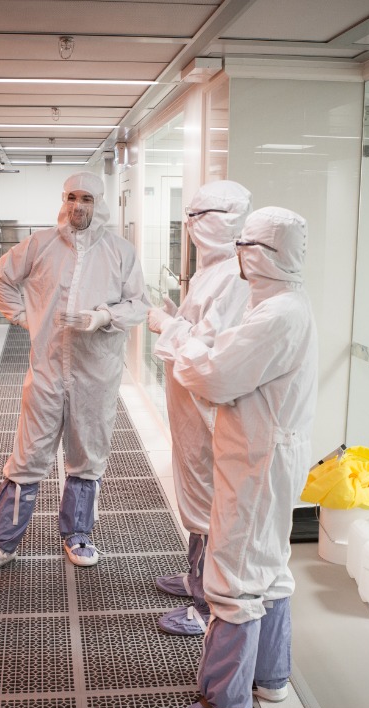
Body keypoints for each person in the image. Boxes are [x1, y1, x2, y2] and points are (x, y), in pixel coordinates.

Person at [150, 207, 318, 708]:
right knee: (267, 568)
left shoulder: (275, 315)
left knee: (233, 580)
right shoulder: (281, 304)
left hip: (255, 459)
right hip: (268, 453)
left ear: (259, 255)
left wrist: (180, 336)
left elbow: (217, 375)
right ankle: (270, 675)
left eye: (246, 246)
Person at [0, 171, 147, 575]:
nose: (77, 206)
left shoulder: (120, 252)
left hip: (95, 372)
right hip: (46, 369)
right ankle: (1, 543)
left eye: (86, 199)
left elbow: (139, 305)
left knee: (86, 457)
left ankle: (77, 533)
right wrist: (27, 317)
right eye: (71, 197)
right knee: (27, 456)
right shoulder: (41, 244)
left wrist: (102, 317)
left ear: (98, 204)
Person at [147, 181, 252, 636]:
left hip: (209, 410)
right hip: (189, 407)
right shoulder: (212, 271)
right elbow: (197, 328)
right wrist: (177, 318)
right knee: (195, 494)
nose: (190, 228)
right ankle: (196, 579)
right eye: (188, 217)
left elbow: (210, 350)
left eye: (199, 218)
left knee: (212, 502)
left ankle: (208, 604)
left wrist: (168, 324)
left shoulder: (234, 276)